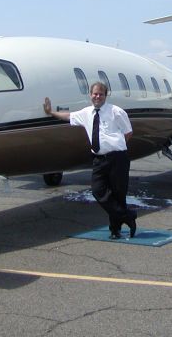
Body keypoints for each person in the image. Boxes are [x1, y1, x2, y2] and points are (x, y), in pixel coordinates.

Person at [43, 82, 137, 239]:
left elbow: (128, 133)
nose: (97, 96)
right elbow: (69, 116)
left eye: (101, 94)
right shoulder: (86, 113)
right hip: (99, 160)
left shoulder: (116, 112)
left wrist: (115, 146)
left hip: (117, 158)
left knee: (118, 194)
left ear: (105, 96)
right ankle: (127, 215)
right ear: (90, 95)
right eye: (95, 94)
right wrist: (51, 112)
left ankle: (115, 230)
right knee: (98, 190)